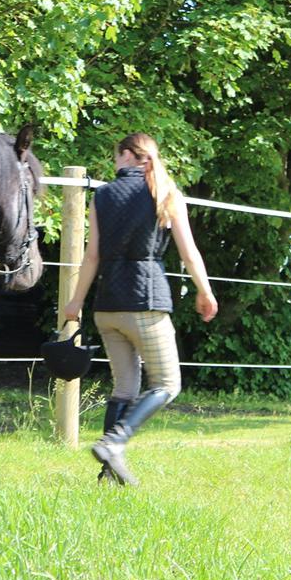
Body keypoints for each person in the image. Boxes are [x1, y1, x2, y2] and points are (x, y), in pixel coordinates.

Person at [62, 133, 218, 485]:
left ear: (128, 156)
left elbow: (92, 256)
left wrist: (75, 302)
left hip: (107, 307)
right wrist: (205, 292)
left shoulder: (102, 196)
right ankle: (114, 443)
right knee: (166, 384)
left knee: (125, 388)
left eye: (116, 157)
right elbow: (189, 253)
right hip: (146, 303)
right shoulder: (165, 193)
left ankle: (107, 473)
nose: (114, 163)